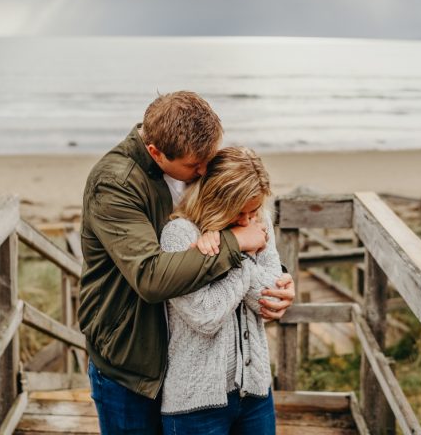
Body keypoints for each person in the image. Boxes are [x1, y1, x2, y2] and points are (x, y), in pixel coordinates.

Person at [78, 91, 295, 434]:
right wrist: (235, 243)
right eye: (195, 166)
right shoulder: (116, 183)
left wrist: (280, 277)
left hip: (185, 365)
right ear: (155, 152)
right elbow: (151, 277)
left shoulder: (189, 159)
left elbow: (239, 226)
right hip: (132, 364)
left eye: (208, 159)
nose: (204, 172)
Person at [159, 146, 281, 434]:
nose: (248, 221)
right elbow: (205, 316)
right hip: (194, 406)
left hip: (256, 393)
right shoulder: (179, 235)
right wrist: (238, 248)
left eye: (254, 212)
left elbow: (270, 297)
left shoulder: (257, 223)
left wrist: (236, 246)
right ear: (217, 201)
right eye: (240, 213)